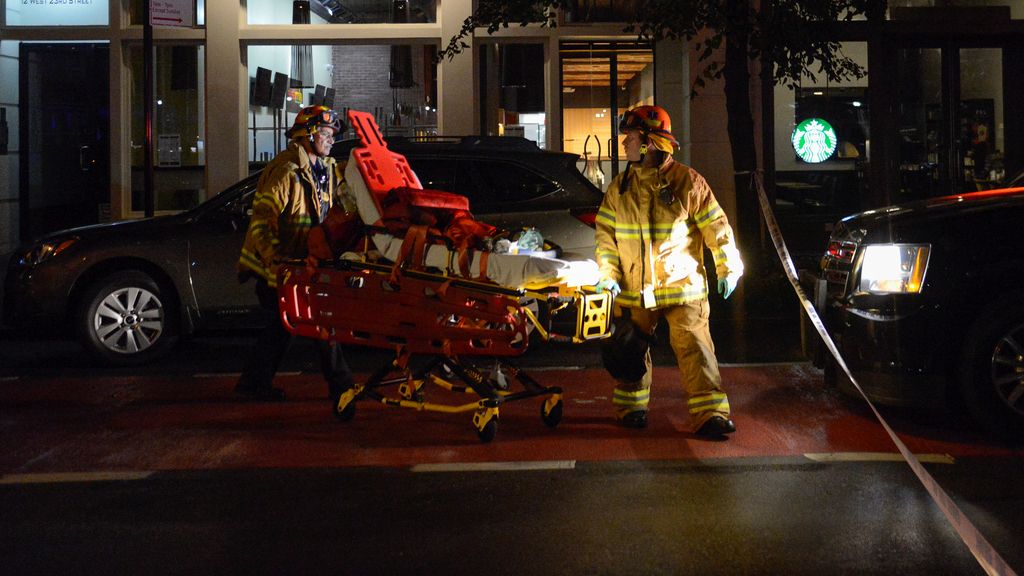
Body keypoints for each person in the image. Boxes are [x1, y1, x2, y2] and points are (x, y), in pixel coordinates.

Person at [594, 105, 744, 438]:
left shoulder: (688, 182)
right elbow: (605, 239)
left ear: (648, 141)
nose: (624, 144)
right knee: (630, 348)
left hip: (682, 288)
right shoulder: (619, 188)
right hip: (634, 291)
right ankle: (631, 407)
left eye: (630, 137)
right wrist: (608, 274)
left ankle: (710, 415)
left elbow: (717, 228)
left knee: (695, 349)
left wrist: (728, 267)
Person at [235, 105, 355, 402]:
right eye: (326, 133)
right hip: (280, 269)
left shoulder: (328, 169)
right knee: (318, 323)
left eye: (332, 134)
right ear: (308, 134)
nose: (330, 140)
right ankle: (343, 389)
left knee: (281, 330)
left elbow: (345, 206)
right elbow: (261, 224)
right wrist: (275, 262)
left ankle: (252, 385)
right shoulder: (285, 172)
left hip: (304, 266)